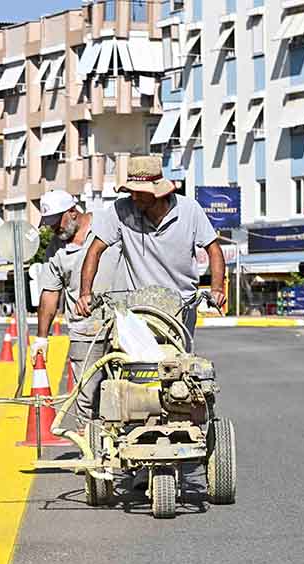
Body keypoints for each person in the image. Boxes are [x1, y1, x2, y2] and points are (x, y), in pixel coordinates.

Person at [74, 155, 226, 339]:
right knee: (135, 362)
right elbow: (95, 250)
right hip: (139, 305)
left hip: (181, 306)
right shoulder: (122, 209)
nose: (134, 196)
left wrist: (217, 289)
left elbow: (214, 250)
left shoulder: (189, 209)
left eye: (140, 191)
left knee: (177, 363)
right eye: (131, 191)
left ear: (158, 192)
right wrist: (85, 293)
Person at [31, 189, 126, 428]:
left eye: (57, 222)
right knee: (87, 397)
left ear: (73, 212)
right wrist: (42, 338)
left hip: (124, 322)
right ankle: (92, 455)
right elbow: (50, 294)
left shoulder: (107, 223)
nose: (54, 229)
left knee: (130, 391)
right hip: (85, 331)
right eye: (49, 224)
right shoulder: (55, 249)